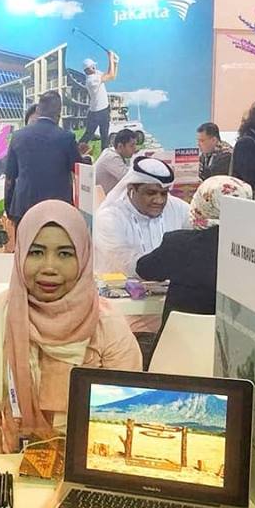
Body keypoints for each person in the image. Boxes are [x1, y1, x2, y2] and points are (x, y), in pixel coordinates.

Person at [0, 200, 141, 453]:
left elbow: (125, 418)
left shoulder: (106, 324)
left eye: (65, 254)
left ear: (83, 257)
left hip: (86, 461)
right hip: (15, 458)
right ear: (20, 254)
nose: (49, 267)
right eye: (36, 252)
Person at [92, 157, 192, 367]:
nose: (159, 200)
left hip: (170, 311)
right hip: (123, 313)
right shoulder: (110, 217)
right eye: (151, 193)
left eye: (164, 193)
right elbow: (131, 265)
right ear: (132, 190)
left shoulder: (180, 209)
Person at [136, 175, 253, 327]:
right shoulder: (254, 251)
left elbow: (145, 269)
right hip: (233, 337)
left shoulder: (179, 244)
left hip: (179, 337)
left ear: (203, 202)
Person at [4, 91, 80, 224]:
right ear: (59, 111)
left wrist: (9, 207)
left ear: (38, 110)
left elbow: (10, 178)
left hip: (24, 208)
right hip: (58, 210)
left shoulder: (17, 136)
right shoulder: (66, 138)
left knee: (25, 238)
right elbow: (77, 168)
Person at [78, 50, 119, 152]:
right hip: (96, 112)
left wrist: (115, 63)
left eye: (94, 65)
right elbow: (110, 75)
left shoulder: (96, 73)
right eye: (92, 67)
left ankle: (104, 156)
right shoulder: (91, 81)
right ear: (86, 70)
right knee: (89, 135)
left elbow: (112, 76)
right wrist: (110, 58)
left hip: (104, 109)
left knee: (104, 136)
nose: (94, 67)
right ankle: (74, 150)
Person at [93, 128, 138, 193]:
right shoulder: (111, 157)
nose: (135, 148)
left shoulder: (111, 152)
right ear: (120, 146)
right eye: (131, 145)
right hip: (101, 197)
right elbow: (129, 178)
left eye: (135, 144)